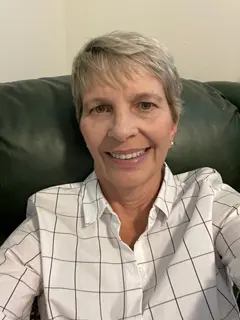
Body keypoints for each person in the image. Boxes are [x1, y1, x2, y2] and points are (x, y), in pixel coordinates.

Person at [0, 31, 239, 320]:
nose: (122, 130)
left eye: (145, 105)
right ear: (81, 126)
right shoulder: (47, 218)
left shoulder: (212, 201)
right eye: (101, 108)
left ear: (173, 123)